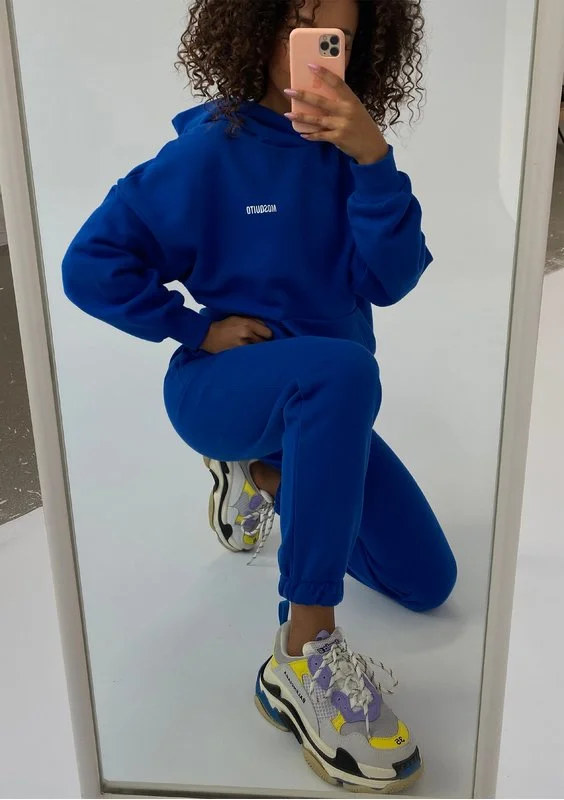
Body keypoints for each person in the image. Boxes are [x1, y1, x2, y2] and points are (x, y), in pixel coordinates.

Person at [62, 0, 457, 792]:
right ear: (251, 26)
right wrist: (191, 327)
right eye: (292, 22)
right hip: (222, 392)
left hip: (322, 411)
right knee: (343, 370)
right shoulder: (213, 149)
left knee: (427, 582)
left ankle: (269, 477)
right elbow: (90, 263)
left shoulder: (351, 151)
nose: (308, 47)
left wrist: (375, 160)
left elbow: (392, 279)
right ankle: (302, 652)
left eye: (332, 35)